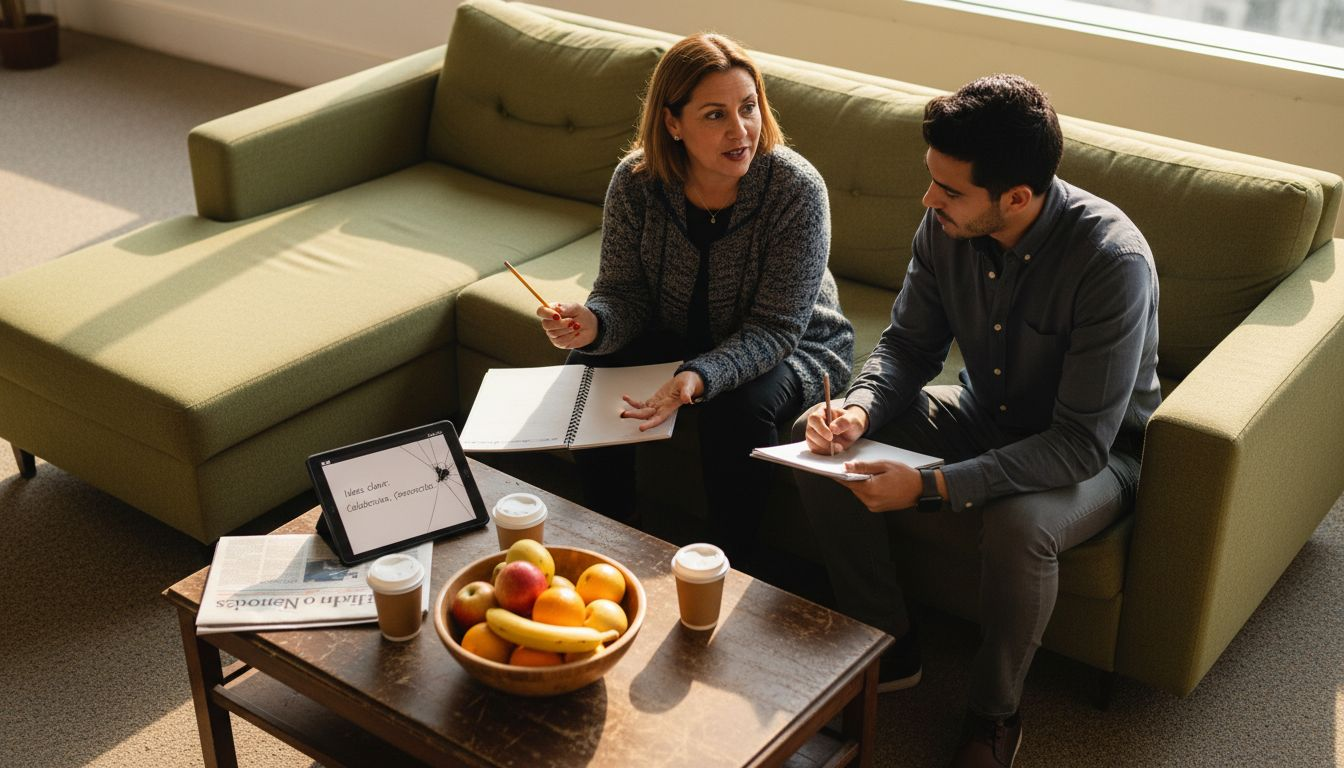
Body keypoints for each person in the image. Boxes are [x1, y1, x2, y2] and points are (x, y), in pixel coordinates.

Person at [793, 74, 1160, 767]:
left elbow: (1080, 442)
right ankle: (890, 640)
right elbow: (908, 346)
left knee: (1019, 526)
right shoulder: (945, 225)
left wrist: (931, 487)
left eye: (950, 189)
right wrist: (859, 408)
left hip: (1098, 454)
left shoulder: (1111, 263)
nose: (930, 200)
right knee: (812, 440)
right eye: (932, 181)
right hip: (983, 414)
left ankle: (994, 716)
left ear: (1017, 198)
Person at [535, 33, 854, 568]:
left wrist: (698, 375)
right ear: (672, 123)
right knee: (587, 364)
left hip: (792, 344)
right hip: (677, 328)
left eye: (748, 108)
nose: (740, 130)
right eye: (714, 115)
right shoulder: (635, 181)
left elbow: (776, 328)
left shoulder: (796, 190)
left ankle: (730, 565)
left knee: (736, 406)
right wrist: (593, 324)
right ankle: (613, 537)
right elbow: (623, 293)